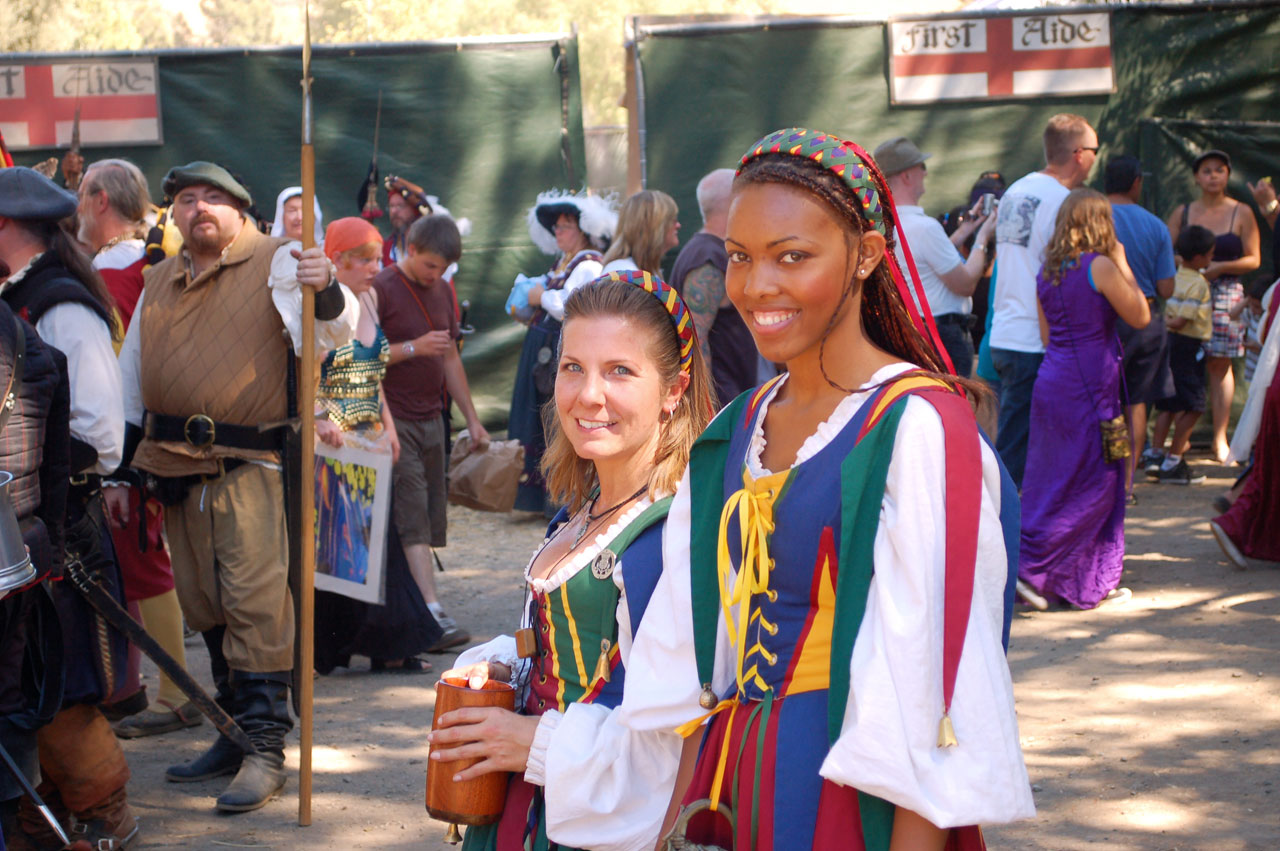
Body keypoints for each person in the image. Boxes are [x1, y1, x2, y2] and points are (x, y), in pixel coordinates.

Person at [604, 128, 1034, 849]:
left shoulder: (915, 428)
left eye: (792, 256)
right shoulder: (735, 431)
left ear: (866, 253)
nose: (756, 285)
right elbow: (688, 669)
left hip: (844, 799)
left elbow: (933, 692)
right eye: (740, 257)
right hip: (732, 785)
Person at [428, 270, 713, 850]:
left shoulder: (668, 539)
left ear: (675, 390)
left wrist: (530, 742)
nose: (588, 395)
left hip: (594, 828)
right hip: (524, 811)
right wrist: (508, 665)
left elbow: (678, 740)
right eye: (573, 367)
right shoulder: (580, 513)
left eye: (620, 372)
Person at [118, 161, 358, 813]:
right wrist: (121, 464)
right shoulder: (159, 278)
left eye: (212, 198)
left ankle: (264, 747)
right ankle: (230, 732)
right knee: (203, 604)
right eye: (185, 199)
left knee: (255, 602)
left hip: (252, 465)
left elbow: (337, 331)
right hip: (171, 462)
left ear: (241, 210)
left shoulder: (280, 261)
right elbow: (131, 371)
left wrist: (327, 284)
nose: (197, 208)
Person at [0, 167, 138, 848]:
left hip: (59, 527)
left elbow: (101, 433)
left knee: (63, 688)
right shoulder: (20, 297)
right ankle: (38, 818)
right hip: (29, 525)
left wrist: (23, 474)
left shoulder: (60, 305)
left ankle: (105, 814)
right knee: (27, 685)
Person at [77, 158, 200, 738]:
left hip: (131, 442)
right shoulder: (142, 262)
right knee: (136, 566)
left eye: (81, 196)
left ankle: (176, 691)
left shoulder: (116, 269)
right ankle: (134, 686)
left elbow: (119, 372)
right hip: (147, 437)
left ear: (100, 200)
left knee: (144, 566)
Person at [311, 216, 444, 674]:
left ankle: (393, 643)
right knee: (342, 545)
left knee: (377, 542)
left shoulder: (366, 299)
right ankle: (333, 647)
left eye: (375, 258)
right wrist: (319, 417)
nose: (374, 267)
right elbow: (309, 368)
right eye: (363, 260)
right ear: (337, 260)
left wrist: (387, 424)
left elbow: (372, 373)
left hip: (365, 433)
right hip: (336, 438)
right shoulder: (317, 307)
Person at [1017, 189, 1150, 612]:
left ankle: (1052, 573)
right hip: (1092, 384)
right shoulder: (1103, 266)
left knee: (1051, 477)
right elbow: (1141, 316)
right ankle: (1047, 572)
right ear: (1101, 223)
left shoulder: (1047, 271)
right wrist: (1125, 265)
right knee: (1099, 477)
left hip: (1052, 380)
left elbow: (1045, 338)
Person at [373, 214, 489, 652]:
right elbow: (361, 357)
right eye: (430, 266)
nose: (436, 276)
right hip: (395, 418)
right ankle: (431, 611)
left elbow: (450, 360)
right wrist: (413, 348)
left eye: (443, 270)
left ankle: (417, 605)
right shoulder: (381, 288)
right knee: (412, 514)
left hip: (431, 418)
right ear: (411, 248)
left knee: (429, 515)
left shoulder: (443, 292)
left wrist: (473, 419)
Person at [990, 114, 1099, 487]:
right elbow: (1066, 274)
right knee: (1023, 455)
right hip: (1038, 341)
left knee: (1019, 445)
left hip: (1007, 335)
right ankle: (1004, 533)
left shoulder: (1015, 191)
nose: (1096, 159)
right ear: (1080, 154)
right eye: (1095, 151)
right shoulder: (1066, 202)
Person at [507, 190, 617, 515]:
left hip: (561, 352)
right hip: (540, 348)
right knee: (538, 419)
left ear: (583, 229)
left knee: (557, 419)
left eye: (566, 226)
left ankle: (560, 496)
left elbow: (575, 305)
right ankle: (539, 496)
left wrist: (541, 297)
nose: (559, 232)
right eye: (556, 227)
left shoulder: (589, 264)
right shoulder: (563, 263)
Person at [1165, 150, 1261, 462]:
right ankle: (1177, 442)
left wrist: (1218, 268)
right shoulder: (1183, 212)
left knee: (1220, 365)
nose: (1213, 176)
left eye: (1220, 170)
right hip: (1186, 293)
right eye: (1206, 170)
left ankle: (1221, 439)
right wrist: (1192, 268)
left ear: (1228, 175)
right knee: (1184, 364)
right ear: (1196, 176)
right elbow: (1166, 252)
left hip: (1227, 294)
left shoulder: (1242, 211)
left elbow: (1254, 258)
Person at [876, 136, 996, 377]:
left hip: (908, 330)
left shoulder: (882, 225)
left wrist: (964, 231)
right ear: (907, 176)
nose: (925, 174)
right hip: (941, 336)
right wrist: (982, 238)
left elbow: (920, 261)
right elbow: (964, 284)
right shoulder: (925, 228)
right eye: (921, 167)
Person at [1104, 156, 1177, 494]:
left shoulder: (1092, 219)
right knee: (1136, 403)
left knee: (1106, 401)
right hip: (1144, 320)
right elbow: (1167, 289)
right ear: (1136, 183)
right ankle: (1127, 484)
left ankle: (1103, 480)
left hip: (1101, 319)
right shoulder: (1155, 225)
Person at [669, 168, 757, 406]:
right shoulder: (707, 258)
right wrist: (705, 405)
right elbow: (695, 336)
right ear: (733, 201)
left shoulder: (707, 250)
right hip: (723, 402)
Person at [1211, 276, 1279, 566]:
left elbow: (1265, 336)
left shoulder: (1276, 289)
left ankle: (1240, 528)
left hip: (1273, 390)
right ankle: (1234, 524)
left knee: (1269, 470)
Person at [1147, 226, 1215, 486]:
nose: (1211, 260)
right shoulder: (1198, 283)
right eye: (1210, 255)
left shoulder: (1175, 276)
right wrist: (1165, 322)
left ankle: (1155, 455)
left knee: (1169, 402)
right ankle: (1173, 459)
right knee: (1195, 404)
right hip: (1189, 346)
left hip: (1171, 345)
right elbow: (1181, 320)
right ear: (1198, 258)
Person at [600, 189, 680, 275]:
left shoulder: (641, 270)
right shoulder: (623, 273)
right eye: (673, 220)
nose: (678, 225)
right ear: (654, 227)